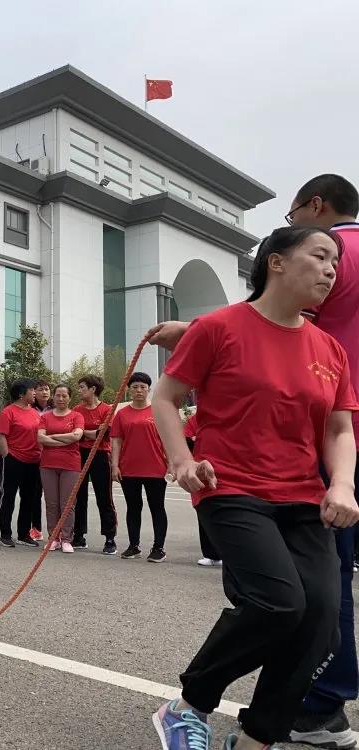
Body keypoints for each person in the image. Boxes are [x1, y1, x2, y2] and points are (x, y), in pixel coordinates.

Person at [152, 177, 359, 750]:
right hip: (232, 487)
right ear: (275, 262)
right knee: (278, 603)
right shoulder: (219, 328)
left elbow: (339, 427)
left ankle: (257, 739)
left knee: (321, 622)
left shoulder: (329, 349)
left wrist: (341, 483)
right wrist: (183, 461)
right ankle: (189, 703)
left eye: (335, 263)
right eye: (319, 256)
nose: (331, 270)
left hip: (302, 496)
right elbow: (164, 398)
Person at [110, 373, 168, 563]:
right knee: (133, 508)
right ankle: (133, 545)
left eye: (143, 387)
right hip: (129, 469)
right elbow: (116, 441)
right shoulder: (122, 414)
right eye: (135, 387)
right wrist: (115, 465)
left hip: (156, 468)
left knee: (157, 508)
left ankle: (158, 547)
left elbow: (167, 440)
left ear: (149, 389)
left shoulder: (158, 411)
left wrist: (173, 464)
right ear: (129, 390)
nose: (139, 390)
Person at [0, 378, 42, 547]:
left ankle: (24, 534)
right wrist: (7, 456)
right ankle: (5, 534)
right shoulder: (9, 412)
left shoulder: (35, 412)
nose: (35, 393)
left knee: (29, 498)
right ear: (22, 394)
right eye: (32, 390)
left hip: (33, 461)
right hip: (13, 459)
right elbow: (1, 435)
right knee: (8, 497)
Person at [73, 375, 118, 554]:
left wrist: (83, 432)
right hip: (80, 454)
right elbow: (75, 433)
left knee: (104, 497)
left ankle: (109, 538)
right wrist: (87, 433)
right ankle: (79, 535)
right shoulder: (76, 410)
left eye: (82, 387)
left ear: (93, 389)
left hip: (100, 455)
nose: (79, 390)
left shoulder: (107, 409)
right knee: (79, 496)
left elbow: (104, 433)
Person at [37, 385, 84, 552]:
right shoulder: (45, 417)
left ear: (69, 398)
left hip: (70, 464)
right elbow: (40, 438)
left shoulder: (77, 416)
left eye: (64, 396)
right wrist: (66, 439)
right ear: (54, 397)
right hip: (48, 464)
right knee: (51, 503)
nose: (61, 399)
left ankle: (66, 539)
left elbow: (77, 436)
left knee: (68, 503)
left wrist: (53, 437)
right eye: (58, 395)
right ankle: (53, 537)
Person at [185, 411, 222, 567]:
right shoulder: (195, 419)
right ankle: (210, 554)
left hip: (229, 469)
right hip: (202, 471)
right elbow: (186, 440)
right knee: (205, 511)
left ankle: (230, 553)